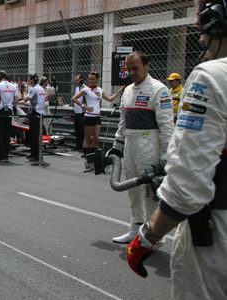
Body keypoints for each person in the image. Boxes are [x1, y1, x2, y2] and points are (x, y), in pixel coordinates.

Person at [125, 2, 227, 298]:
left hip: (215, 230)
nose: (201, 40)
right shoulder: (130, 91)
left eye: (205, 32)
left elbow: (187, 186)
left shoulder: (210, 76)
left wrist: (147, 238)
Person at [110, 50, 174, 244]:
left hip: (150, 145)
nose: (131, 72)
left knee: (150, 191)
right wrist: (116, 146)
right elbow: (123, 122)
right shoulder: (128, 90)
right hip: (130, 144)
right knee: (132, 189)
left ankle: (153, 234)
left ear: (146, 66)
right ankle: (135, 228)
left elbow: (167, 126)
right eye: (128, 69)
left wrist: (165, 155)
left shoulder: (159, 89)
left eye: (135, 68)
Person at [71, 72, 124, 172]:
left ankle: (95, 161)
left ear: (97, 80)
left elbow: (109, 99)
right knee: (87, 139)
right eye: (89, 79)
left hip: (97, 117)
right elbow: (74, 98)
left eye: (93, 79)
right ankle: (87, 161)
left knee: (96, 139)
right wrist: (84, 106)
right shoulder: (86, 89)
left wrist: (119, 91)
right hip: (88, 117)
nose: (91, 81)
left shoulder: (99, 90)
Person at [0, 70, 20, 163]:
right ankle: (6, 155)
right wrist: (9, 102)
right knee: (7, 134)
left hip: (0, 111)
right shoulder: (13, 86)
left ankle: (1, 155)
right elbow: (16, 100)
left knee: (0, 134)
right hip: (9, 112)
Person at [21, 74, 47, 163]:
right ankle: (35, 154)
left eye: (29, 80)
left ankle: (35, 155)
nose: (28, 82)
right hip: (40, 113)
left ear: (32, 80)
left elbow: (25, 99)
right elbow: (35, 101)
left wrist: (24, 90)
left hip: (35, 113)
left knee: (34, 135)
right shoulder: (41, 89)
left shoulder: (33, 89)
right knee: (37, 135)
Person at [72, 75, 87, 151]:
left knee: (82, 130)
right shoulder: (77, 88)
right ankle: (78, 145)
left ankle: (83, 146)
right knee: (77, 130)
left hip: (82, 111)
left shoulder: (85, 88)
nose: (76, 82)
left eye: (77, 80)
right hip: (77, 111)